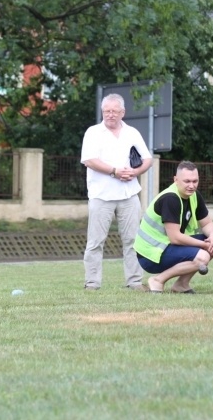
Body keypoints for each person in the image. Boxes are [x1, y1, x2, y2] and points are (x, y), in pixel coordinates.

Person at [81, 93, 153, 291]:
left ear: (123, 112)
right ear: (102, 111)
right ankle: (92, 282)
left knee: (132, 240)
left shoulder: (132, 132)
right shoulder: (93, 132)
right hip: (100, 195)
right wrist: (115, 171)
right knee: (95, 241)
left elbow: (148, 158)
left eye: (114, 111)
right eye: (106, 111)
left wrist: (135, 171)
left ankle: (134, 281)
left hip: (129, 194)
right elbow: (89, 160)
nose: (110, 114)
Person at [134, 161, 213, 294]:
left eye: (195, 181)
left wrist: (212, 238)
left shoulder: (194, 195)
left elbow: (207, 224)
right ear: (176, 180)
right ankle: (157, 281)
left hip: (167, 246)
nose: (191, 185)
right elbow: (175, 238)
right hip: (150, 255)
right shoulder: (170, 198)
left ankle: (181, 285)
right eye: (187, 181)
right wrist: (206, 246)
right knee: (202, 257)